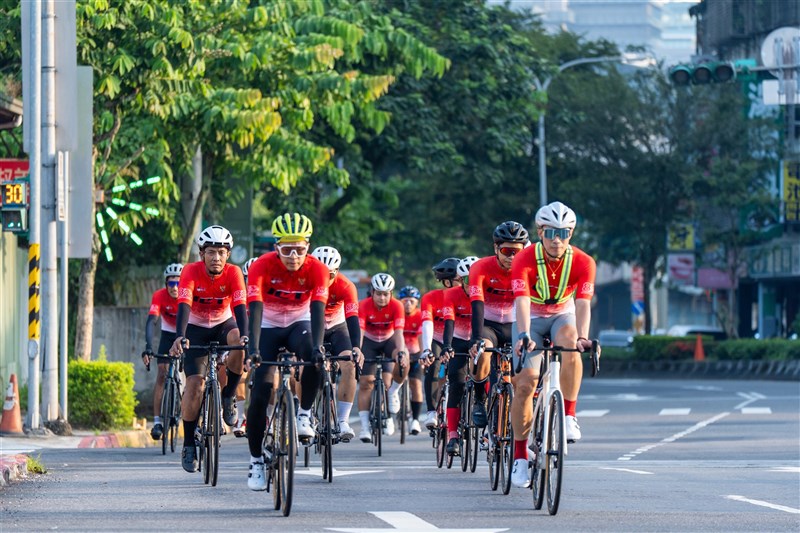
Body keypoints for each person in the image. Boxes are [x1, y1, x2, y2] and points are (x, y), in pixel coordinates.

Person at [510, 201, 597, 488]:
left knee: (571, 342)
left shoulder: (584, 262)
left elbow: (583, 304)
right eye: (550, 233)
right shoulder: (524, 259)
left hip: (562, 313)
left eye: (563, 232)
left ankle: (569, 415)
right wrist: (523, 334)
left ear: (571, 233)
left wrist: (583, 337)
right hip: (530, 317)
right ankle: (521, 457)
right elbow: (521, 302)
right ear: (539, 232)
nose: (556, 239)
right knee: (525, 382)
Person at [244, 212, 329, 491]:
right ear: (276, 247)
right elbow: (254, 309)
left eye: (300, 249)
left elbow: (318, 312)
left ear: (308, 246)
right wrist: (254, 350)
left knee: (317, 360)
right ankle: (256, 461)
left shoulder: (317, 269)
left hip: (298, 322)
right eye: (287, 249)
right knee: (258, 396)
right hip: (267, 324)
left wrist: (317, 349)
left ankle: (304, 414)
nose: (293, 256)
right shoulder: (261, 267)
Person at [168, 226, 249, 473]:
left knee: (239, 339)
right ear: (202, 254)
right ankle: (190, 442)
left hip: (224, 323)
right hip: (195, 326)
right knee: (195, 385)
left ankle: (228, 396)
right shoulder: (190, 272)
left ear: (228, 255)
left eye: (221, 253)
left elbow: (240, 308)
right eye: (211, 252)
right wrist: (180, 337)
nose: (216, 258)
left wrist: (246, 337)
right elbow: (183, 305)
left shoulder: (234, 273)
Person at [467, 221, 529, 429]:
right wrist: (476, 339)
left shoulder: (527, 269)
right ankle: (479, 400)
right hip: (489, 324)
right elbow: (477, 304)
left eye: (516, 252)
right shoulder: (480, 268)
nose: (511, 257)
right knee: (482, 352)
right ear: (496, 248)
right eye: (506, 251)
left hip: (514, 323)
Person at [310, 245, 364, 442]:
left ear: (337, 271)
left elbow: (352, 318)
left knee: (349, 364)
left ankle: (342, 420)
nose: (325, 280)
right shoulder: (305, 282)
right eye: (320, 274)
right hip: (312, 325)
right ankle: (305, 413)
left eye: (330, 275)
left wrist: (356, 347)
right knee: (302, 366)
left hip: (337, 327)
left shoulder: (346, 286)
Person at [356, 273, 408, 442]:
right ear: (372, 292)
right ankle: (364, 427)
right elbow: (360, 333)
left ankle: (393, 393)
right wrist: (358, 350)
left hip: (388, 340)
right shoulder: (363, 306)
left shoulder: (397, 306)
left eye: (386, 294)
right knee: (365, 384)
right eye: (378, 293)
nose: (382, 297)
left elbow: (399, 333)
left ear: (391, 294)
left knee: (403, 359)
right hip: (369, 342)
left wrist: (400, 352)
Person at [441, 256, 479, 455]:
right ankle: (453, 434)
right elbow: (449, 322)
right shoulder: (452, 294)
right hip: (458, 339)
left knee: (488, 377)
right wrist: (447, 346)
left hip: (479, 339)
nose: (471, 284)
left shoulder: (484, 293)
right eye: (466, 280)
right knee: (456, 382)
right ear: (461, 280)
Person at [142, 263, 183, 441]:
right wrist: (149, 347)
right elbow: (152, 321)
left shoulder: (188, 296)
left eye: (178, 284)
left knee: (193, 374)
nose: (175, 288)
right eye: (171, 284)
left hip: (186, 333)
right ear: (166, 285)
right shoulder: (159, 296)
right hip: (167, 334)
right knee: (161, 373)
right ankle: (157, 421)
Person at [419, 257, 461, 430]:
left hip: (459, 338)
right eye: (459, 280)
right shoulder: (431, 298)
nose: (462, 283)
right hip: (437, 338)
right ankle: (431, 411)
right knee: (434, 365)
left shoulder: (469, 296)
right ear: (446, 282)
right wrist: (427, 349)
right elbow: (427, 324)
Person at [231, 257, 258, 438]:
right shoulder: (240, 296)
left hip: (266, 335)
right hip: (246, 336)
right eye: (249, 279)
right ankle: (240, 417)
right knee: (241, 371)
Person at [398, 285, 424, 435]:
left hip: (415, 354)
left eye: (411, 301)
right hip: (400, 354)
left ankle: (415, 420)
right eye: (405, 300)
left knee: (416, 385)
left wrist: (422, 355)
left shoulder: (420, 315)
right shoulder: (397, 314)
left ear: (417, 303)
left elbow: (421, 337)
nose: (408, 304)